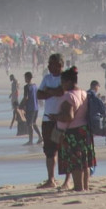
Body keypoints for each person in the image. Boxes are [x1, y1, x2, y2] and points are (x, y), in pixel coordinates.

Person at [55, 67, 95, 191]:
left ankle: (78, 187)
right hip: (84, 130)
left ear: (68, 82)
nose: (61, 84)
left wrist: (55, 116)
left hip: (73, 132)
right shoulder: (83, 93)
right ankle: (85, 186)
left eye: (62, 82)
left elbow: (69, 116)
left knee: (75, 161)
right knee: (84, 161)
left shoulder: (68, 96)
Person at [38, 55, 66, 186]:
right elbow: (39, 94)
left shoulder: (65, 77)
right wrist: (52, 92)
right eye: (49, 64)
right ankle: (51, 179)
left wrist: (49, 91)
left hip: (61, 120)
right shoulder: (47, 78)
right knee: (49, 150)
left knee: (63, 149)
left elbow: (62, 92)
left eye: (52, 64)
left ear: (60, 65)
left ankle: (67, 180)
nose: (49, 66)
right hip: (47, 119)